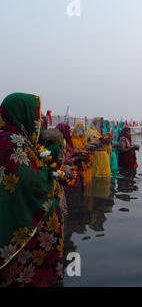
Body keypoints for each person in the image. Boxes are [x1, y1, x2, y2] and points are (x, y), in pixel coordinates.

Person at [0, 93, 65, 287]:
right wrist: (52, 176)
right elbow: (31, 183)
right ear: (23, 114)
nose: (37, 121)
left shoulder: (12, 139)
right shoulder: (12, 141)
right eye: (35, 115)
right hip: (27, 233)